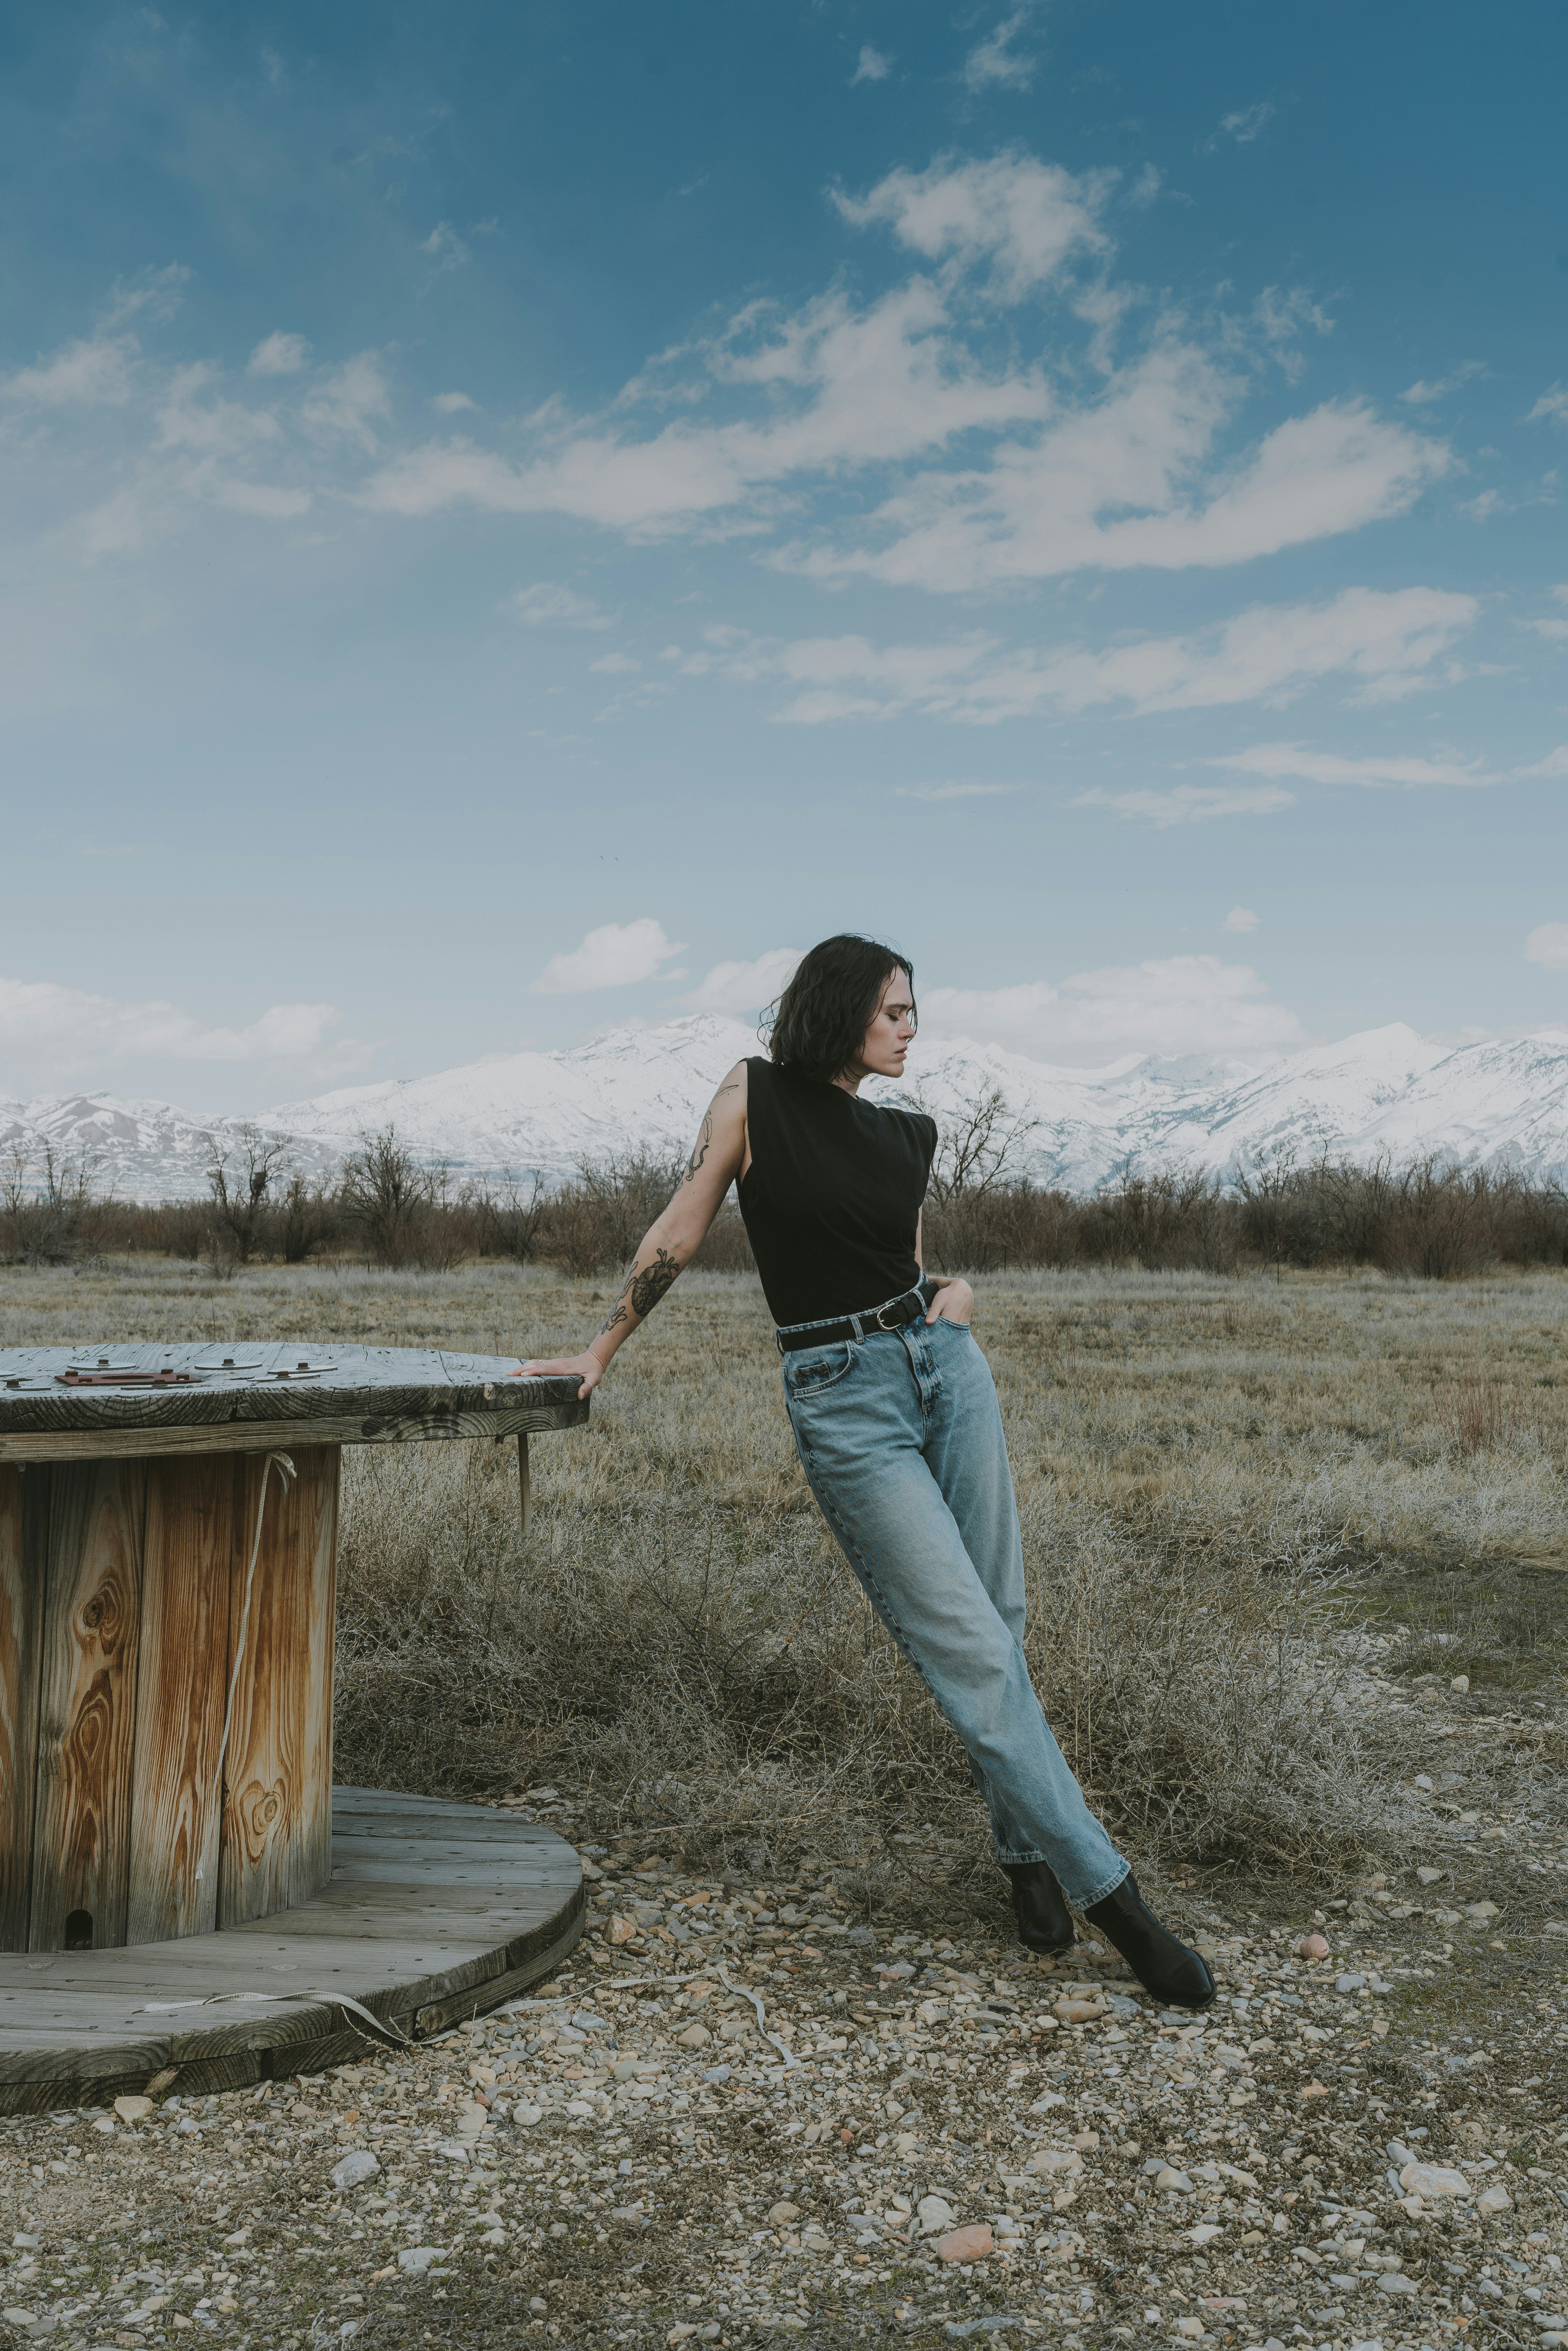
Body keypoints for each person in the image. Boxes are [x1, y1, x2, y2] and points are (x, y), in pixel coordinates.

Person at [517, 934, 1212, 2007]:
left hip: (945, 1370)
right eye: (893, 1009)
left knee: (1003, 1623)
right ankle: (1118, 1906)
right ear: (841, 1006)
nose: (910, 1027)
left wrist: (957, 1298)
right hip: (845, 1397)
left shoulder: (910, 1134)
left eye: (913, 1012)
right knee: (970, 1652)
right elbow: (684, 1223)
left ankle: (1023, 1856)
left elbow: (905, 1263)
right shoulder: (754, 1096)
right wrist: (599, 1348)